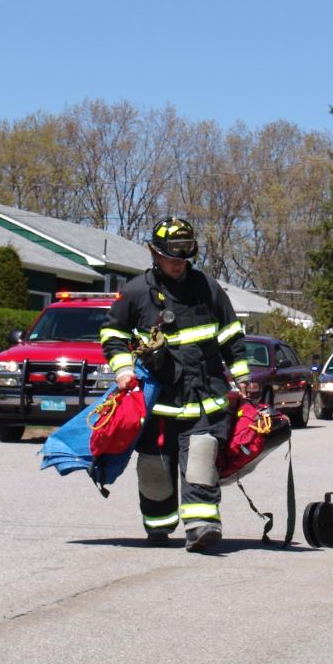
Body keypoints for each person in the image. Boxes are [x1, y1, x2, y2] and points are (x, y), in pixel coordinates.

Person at [100, 216, 250, 553]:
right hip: (159, 402)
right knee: (156, 466)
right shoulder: (137, 292)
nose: (178, 265)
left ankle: (202, 527)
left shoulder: (207, 287)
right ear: (154, 253)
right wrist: (123, 370)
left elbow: (230, 335)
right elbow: (112, 334)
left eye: (183, 258)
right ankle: (158, 526)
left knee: (200, 459)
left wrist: (241, 376)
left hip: (204, 399)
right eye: (171, 258)